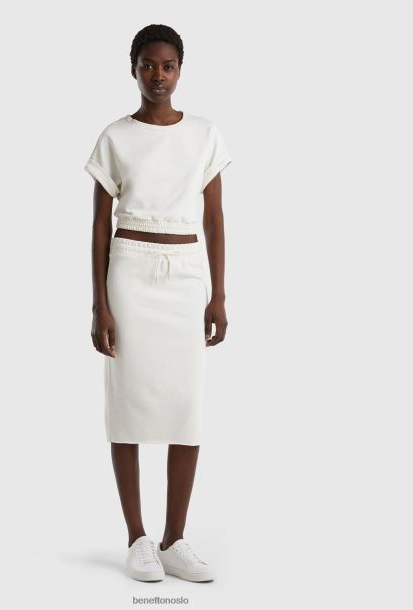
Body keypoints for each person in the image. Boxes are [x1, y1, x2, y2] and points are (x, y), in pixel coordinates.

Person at [85, 24, 231, 583]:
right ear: (133, 69)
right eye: (148, 65)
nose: (158, 76)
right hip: (129, 271)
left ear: (180, 70)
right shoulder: (115, 137)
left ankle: (175, 539)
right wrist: (99, 304)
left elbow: (214, 219)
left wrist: (218, 294)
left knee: (185, 407)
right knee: (127, 403)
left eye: (168, 66)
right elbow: (99, 227)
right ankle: (137, 538)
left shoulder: (204, 135)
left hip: (185, 273)